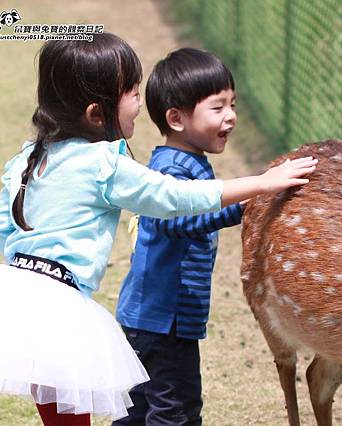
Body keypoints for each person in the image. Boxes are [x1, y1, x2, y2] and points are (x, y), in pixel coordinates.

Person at [0, 34, 317, 426]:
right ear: (96, 114)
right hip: (61, 301)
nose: (140, 103)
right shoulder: (104, 163)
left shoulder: (29, 156)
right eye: (133, 93)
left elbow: (2, 222)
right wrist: (263, 183)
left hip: (16, 289)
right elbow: (174, 198)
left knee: (60, 403)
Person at [112, 48, 244, 426]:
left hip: (152, 318)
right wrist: (243, 205)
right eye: (217, 108)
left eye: (232, 104)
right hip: (162, 320)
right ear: (176, 118)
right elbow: (174, 221)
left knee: (139, 410)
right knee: (178, 412)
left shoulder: (187, 161)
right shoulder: (171, 167)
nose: (231, 116)